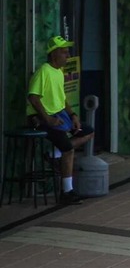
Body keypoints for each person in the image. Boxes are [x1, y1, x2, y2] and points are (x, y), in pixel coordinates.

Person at [27, 36, 93, 204]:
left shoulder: (59, 73)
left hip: (59, 115)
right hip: (42, 118)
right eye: (64, 52)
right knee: (68, 149)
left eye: (67, 52)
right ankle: (67, 191)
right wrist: (47, 119)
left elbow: (62, 99)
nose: (68, 55)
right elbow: (34, 98)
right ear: (54, 54)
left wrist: (73, 116)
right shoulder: (44, 71)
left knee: (88, 131)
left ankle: (53, 154)